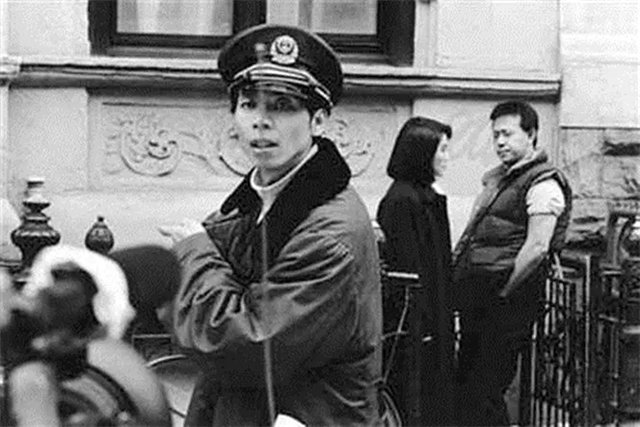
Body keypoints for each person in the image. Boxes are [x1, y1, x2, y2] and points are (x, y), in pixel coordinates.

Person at [158, 24, 382, 426]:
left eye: (282, 106)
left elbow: (247, 344)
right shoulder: (255, 203)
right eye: (249, 104)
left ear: (318, 121)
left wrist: (192, 255)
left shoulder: (330, 235)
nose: (261, 121)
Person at [451, 100, 572, 426]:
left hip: (507, 302)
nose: (500, 142)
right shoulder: (501, 179)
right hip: (483, 298)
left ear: (531, 134)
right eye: (495, 135)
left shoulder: (543, 182)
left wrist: (505, 291)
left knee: (485, 390)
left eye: (508, 134)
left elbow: (537, 247)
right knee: (469, 386)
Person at [376, 117, 455, 426]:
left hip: (431, 318)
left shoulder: (422, 195)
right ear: (423, 154)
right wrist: (424, 324)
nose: (447, 158)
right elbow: (409, 268)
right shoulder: (402, 199)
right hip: (418, 324)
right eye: (442, 150)